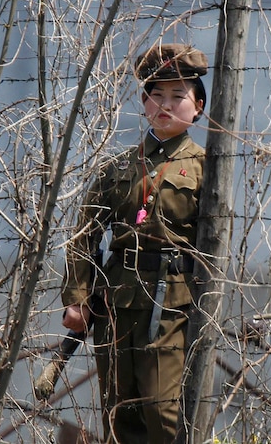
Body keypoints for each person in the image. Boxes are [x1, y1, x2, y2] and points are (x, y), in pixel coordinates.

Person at [61, 43, 207, 443]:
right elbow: (84, 232)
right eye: (156, 95)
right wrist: (77, 298)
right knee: (118, 411)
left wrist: (207, 301)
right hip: (115, 302)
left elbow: (216, 243)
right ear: (143, 102)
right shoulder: (120, 166)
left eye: (178, 96)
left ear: (197, 107)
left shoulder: (206, 168)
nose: (166, 104)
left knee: (163, 414)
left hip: (172, 304)